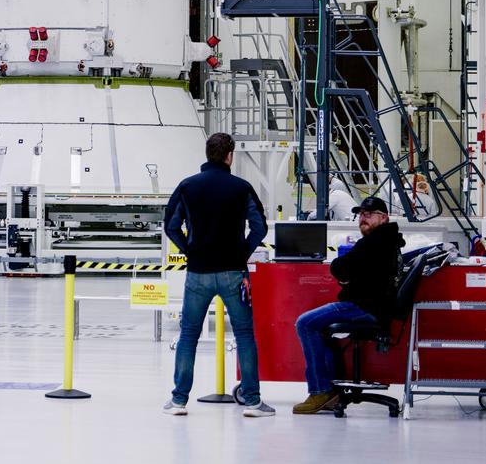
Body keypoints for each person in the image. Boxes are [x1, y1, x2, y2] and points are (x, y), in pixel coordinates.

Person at [162, 132, 273, 417]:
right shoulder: (241, 187)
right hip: (233, 273)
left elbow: (171, 226)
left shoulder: (187, 186)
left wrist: (191, 251)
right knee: (245, 335)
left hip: (198, 272)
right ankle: (252, 402)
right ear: (230, 156)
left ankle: (178, 401)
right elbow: (259, 226)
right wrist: (241, 253)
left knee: (189, 335)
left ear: (208, 153)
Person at [292, 195, 405, 414]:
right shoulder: (388, 240)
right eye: (361, 214)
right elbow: (352, 270)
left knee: (305, 323)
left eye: (369, 215)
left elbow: (339, 268)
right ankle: (331, 390)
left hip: (364, 307)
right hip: (374, 307)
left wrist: (347, 275)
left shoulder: (374, 242)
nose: (363, 218)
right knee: (319, 326)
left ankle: (320, 391)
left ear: (383, 218)